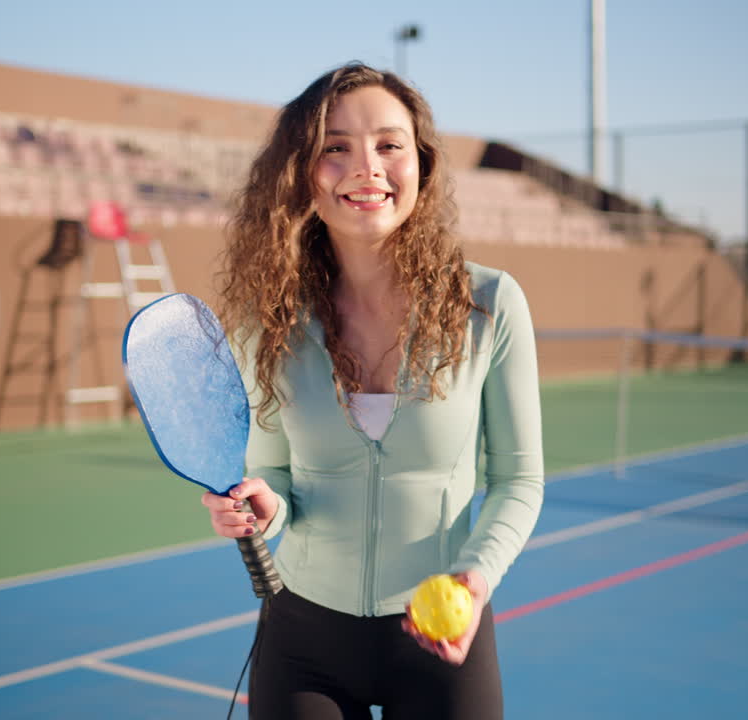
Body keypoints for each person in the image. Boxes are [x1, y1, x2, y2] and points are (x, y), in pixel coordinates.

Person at [201, 61, 544, 720]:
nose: (367, 167)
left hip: (444, 639)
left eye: (389, 144)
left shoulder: (490, 304)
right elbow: (272, 471)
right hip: (302, 644)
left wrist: (475, 582)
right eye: (336, 147)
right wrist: (264, 505)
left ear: (422, 164)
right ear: (302, 172)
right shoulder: (265, 319)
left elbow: (518, 480)